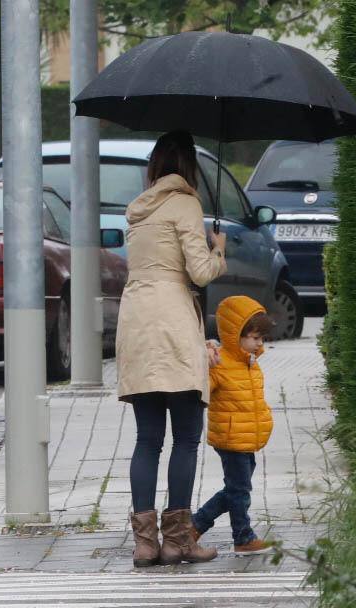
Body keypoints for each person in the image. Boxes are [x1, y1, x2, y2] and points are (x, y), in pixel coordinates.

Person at [115, 131, 227, 567]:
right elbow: (198, 273)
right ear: (189, 168)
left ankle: (145, 544)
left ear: (155, 166)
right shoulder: (186, 203)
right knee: (185, 438)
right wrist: (218, 252)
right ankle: (179, 542)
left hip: (136, 321)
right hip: (173, 322)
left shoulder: (139, 210)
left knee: (147, 439)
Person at [192, 296, 275, 555]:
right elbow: (203, 391)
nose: (259, 343)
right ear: (234, 334)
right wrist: (203, 360)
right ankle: (243, 537)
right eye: (254, 337)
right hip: (230, 437)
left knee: (236, 489)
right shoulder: (220, 363)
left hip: (246, 438)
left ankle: (195, 525)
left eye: (261, 338)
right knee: (240, 490)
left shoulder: (250, 364)